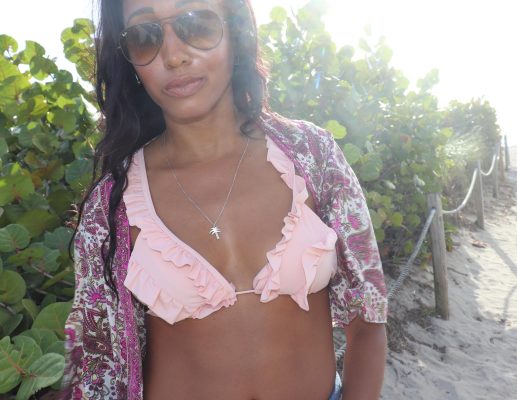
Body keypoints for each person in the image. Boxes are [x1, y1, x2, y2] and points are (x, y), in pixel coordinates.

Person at [59, 0, 388, 399]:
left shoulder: (311, 156)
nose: (174, 55)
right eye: (145, 36)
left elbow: (367, 314)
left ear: (236, 31)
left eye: (195, 24)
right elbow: (98, 373)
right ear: (128, 60)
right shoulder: (112, 207)